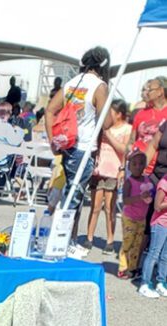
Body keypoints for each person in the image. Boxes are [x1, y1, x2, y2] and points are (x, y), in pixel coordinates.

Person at [45, 46, 113, 255]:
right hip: (83, 148)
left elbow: (49, 110)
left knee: (70, 193)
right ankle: (61, 242)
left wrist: (53, 141)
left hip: (67, 145)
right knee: (74, 197)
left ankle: (68, 239)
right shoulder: (100, 87)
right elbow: (107, 122)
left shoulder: (72, 83)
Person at [85, 99, 132, 253]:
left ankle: (110, 239)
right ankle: (89, 237)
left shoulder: (126, 129)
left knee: (109, 208)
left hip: (113, 171)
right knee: (95, 206)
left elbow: (124, 149)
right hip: (99, 170)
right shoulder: (103, 128)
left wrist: (122, 169)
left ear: (119, 114)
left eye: (110, 112)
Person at [118, 151, 153, 278]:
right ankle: (123, 267)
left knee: (137, 244)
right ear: (129, 167)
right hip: (130, 218)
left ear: (145, 165)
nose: (138, 166)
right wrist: (139, 197)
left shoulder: (147, 180)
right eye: (134, 164)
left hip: (141, 218)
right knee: (128, 242)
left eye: (141, 163)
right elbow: (125, 200)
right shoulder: (129, 182)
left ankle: (132, 267)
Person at [126, 76, 167, 175]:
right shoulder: (141, 113)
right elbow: (131, 141)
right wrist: (124, 165)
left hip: (157, 170)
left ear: (160, 91)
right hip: (135, 167)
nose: (147, 92)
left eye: (150, 89)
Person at [138, 169, 167, 297]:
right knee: (154, 253)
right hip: (160, 223)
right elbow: (157, 206)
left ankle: (161, 282)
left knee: (165, 256)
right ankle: (145, 283)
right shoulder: (163, 183)